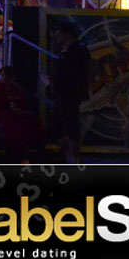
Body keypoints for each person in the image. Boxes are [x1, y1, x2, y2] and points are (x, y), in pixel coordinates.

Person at [0, 65, 44, 160]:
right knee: (12, 123)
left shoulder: (16, 88)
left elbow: (22, 102)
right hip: (0, 113)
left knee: (33, 118)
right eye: (4, 75)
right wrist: (8, 107)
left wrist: (18, 108)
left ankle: (34, 145)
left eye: (9, 76)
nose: (6, 78)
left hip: (15, 112)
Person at [50, 21, 90, 163]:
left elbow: (73, 74)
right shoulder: (69, 52)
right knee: (62, 127)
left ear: (67, 35)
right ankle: (70, 156)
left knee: (70, 127)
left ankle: (73, 158)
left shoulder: (77, 51)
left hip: (69, 95)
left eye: (59, 35)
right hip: (64, 95)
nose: (57, 39)